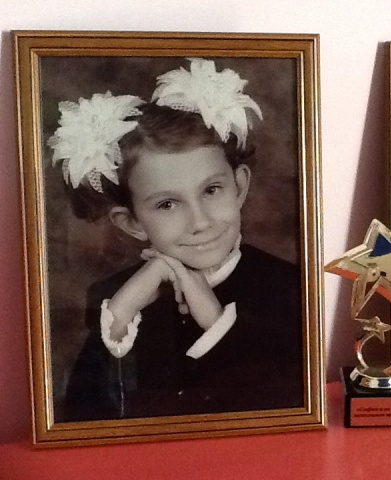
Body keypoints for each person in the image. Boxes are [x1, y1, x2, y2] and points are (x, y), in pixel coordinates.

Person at [52, 58, 303, 421]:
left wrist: (217, 323)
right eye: (167, 204)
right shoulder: (114, 299)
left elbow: (286, 411)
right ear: (132, 223)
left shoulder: (289, 288)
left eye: (211, 190)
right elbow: (81, 418)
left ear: (239, 186)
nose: (199, 222)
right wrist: (121, 315)